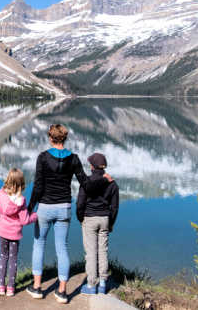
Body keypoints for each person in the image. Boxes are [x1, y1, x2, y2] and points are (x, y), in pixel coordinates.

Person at [26, 124, 111, 304]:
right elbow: (86, 185)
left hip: (45, 207)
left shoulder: (42, 158)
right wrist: (103, 181)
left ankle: (37, 287)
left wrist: (29, 207)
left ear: (50, 138)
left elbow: (38, 186)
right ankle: (63, 292)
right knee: (62, 247)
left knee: (39, 244)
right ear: (65, 139)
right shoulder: (74, 159)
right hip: (64, 207)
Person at [0, 167, 37, 297]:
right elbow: (25, 220)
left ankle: (1, 286)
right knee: (13, 259)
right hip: (15, 234)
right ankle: (10, 287)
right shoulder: (21, 201)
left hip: (3, 232)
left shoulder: (1, 194)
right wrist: (35, 216)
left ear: (8, 180)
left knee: (3, 256)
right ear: (21, 183)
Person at [77, 153, 119, 295]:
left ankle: (91, 285)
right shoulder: (112, 183)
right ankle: (102, 284)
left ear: (92, 166)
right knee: (102, 251)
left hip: (89, 219)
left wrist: (80, 218)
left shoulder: (87, 182)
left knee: (91, 253)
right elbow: (114, 207)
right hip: (105, 220)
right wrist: (111, 223)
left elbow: (80, 203)